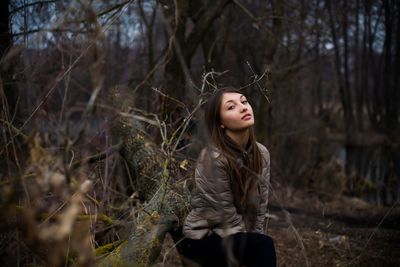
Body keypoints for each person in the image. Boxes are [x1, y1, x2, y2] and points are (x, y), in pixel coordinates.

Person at [178, 87, 276, 267]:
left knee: (261, 244)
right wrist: (251, 246)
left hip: (236, 236)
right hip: (203, 240)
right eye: (231, 107)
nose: (243, 107)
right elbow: (224, 218)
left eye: (244, 101)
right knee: (263, 246)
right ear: (220, 123)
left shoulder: (261, 154)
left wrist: (254, 239)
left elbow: (260, 209)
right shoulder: (212, 158)